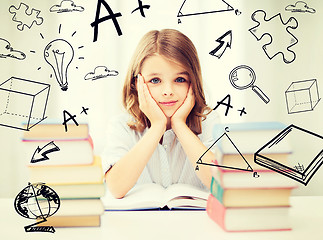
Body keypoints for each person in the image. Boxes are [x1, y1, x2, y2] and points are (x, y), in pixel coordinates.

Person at [102, 29, 219, 199]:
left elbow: (219, 183)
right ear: (137, 83)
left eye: (180, 80)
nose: (168, 91)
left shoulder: (208, 122)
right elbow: (116, 187)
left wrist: (179, 124)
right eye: (155, 81)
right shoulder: (122, 125)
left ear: (193, 82)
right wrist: (157, 126)